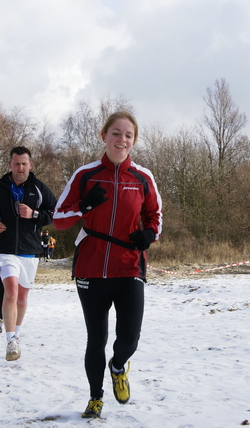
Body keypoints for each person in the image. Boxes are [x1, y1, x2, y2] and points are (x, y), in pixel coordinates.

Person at [53, 111, 163, 419]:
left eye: (128, 135)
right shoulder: (85, 175)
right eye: (116, 133)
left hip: (129, 266)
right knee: (96, 338)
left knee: (129, 337)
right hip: (91, 267)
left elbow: (156, 217)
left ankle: (118, 366)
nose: (122, 140)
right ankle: (95, 398)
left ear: (134, 141)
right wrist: (85, 205)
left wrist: (149, 234)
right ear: (104, 136)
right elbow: (59, 219)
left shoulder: (143, 177)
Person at [0, 146, 57, 361]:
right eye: (16, 164)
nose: (20, 168)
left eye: (24, 164)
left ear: (30, 165)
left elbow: (55, 212)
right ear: (9, 165)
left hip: (30, 250)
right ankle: (10, 340)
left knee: (22, 297)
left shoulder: (39, 189)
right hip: (5, 249)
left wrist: (34, 214)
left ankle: (17, 335)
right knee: (10, 290)